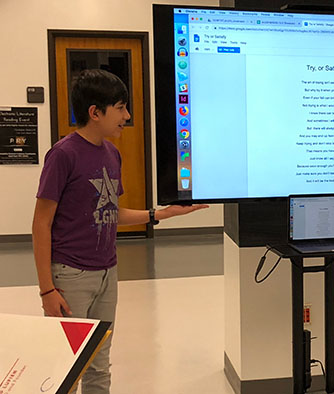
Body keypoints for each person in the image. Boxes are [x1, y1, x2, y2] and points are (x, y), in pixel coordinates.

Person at [32, 69, 207, 394]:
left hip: (107, 273)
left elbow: (110, 211)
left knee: (99, 363)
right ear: (95, 112)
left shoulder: (112, 153)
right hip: (70, 277)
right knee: (65, 367)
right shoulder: (63, 155)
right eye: (121, 108)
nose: (127, 116)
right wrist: (47, 290)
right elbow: (40, 222)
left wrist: (160, 214)